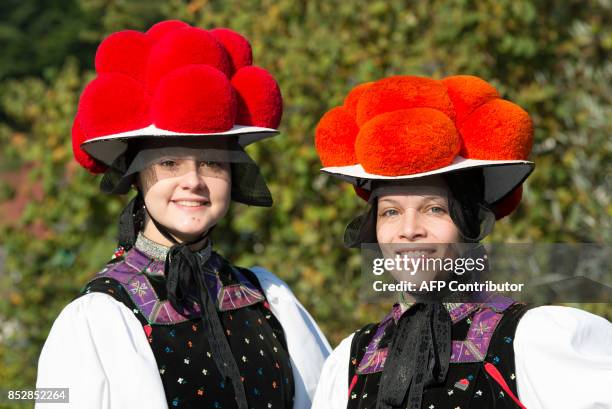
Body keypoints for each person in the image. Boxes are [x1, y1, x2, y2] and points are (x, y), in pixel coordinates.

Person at [35, 20, 330, 409]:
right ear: (137, 177)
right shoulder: (96, 320)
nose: (193, 181)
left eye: (212, 163)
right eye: (170, 163)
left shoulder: (270, 299)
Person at [310, 75, 612, 409]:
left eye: (435, 209)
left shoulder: (533, 342)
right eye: (391, 212)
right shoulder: (350, 362)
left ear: (469, 224)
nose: (409, 230)